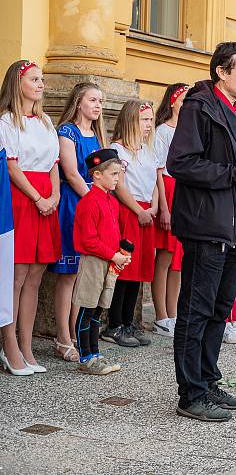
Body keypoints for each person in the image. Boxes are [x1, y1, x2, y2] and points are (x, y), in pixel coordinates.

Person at [168, 41, 236, 422]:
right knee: (195, 310)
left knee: (218, 310)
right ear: (221, 73)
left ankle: (209, 381)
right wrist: (234, 174)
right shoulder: (200, 108)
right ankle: (190, 394)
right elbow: (180, 163)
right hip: (206, 224)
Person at [0, 60, 60, 376]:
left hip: (46, 198)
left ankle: (26, 345)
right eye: (35, 79)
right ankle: (8, 344)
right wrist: (38, 198)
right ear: (18, 83)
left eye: (42, 80)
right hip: (22, 199)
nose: (41, 84)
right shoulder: (7, 122)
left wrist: (55, 196)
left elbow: (53, 163)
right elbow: (11, 166)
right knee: (17, 275)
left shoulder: (46, 121)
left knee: (36, 276)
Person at [50, 82, 105, 362]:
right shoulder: (67, 131)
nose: (97, 105)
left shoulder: (95, 135)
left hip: (91, 204)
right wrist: (95, 202)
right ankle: (61, 337)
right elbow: (71, 173)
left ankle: (75, 333)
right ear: (78, 102)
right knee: (68, 273)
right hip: (75, 203)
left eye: (100, 101)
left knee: (83, 273)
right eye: (92, 100)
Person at [104, 100, 158, 348]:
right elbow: (120, 185)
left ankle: (128, 321)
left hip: (147, 211)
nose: (148, 124)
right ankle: (114, 323)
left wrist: (154, 208)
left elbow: (156, 182)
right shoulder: (119, 149)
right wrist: (138, 210)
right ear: (130, 121)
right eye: (143, 119)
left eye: (150, 119)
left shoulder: (148, 149)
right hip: (129, 211)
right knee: (124, 269)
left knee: (140, 269)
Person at [72, 148, 129, 374]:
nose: (117, 178)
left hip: (109, 260)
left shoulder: (111, 201)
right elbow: (89, 240)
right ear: (97, 174)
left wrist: (120, 253)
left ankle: (96, 353)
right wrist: (113, 254)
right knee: (87, 308)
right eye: (114, 174)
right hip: (94, 261)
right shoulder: (89, 202)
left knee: (98, 311)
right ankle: (85, 358)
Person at [151, 83, 188, 337]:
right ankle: (161, 314)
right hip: (169, 189)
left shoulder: (190, 130)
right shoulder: (163, 131)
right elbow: (159, 171)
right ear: (173, 102)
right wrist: (164, 207)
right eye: (184, 100)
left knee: (178, 259)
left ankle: (173, 313)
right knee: (164, 256)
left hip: (185, 192)